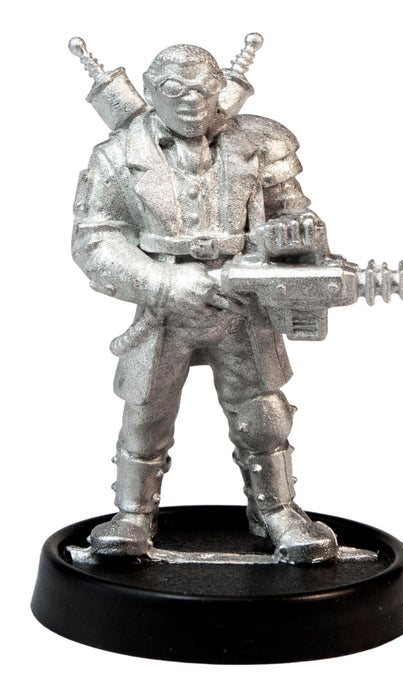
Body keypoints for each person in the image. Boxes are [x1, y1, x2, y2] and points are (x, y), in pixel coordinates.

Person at [72, 43, 338, 564]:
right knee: (146, 411)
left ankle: (277, 509)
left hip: (244, 301)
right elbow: (95, 238)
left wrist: (298, 234)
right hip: (163, 307)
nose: (191, 101)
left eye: (202, 88)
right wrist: (162, 283)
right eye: (174, 90)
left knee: (262, 411)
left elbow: (293, 211)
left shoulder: (258, 143)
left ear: (221, 90)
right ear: (150, 93)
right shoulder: (118, 155)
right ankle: (132, 514)